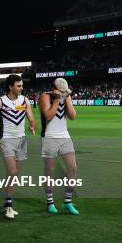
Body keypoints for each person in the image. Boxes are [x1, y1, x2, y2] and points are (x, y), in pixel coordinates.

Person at [0, 74, 36, 219]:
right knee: (12, 171)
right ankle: (8, 206)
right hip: (6, 139)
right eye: (18, 86)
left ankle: (8, 203)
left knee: (14, 175)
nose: (21, 88)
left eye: (21, 85)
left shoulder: (25, 100)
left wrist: (32, 126)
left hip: (21, 140)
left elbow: (31, 118)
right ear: (10, 87)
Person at [39, 78, 79, 215]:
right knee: (50, 171)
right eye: (61, 91)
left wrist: (66, 98)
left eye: (64, 90)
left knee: (72, 167)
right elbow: (48, 115)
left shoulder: (66, 96)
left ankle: (67, 201)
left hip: (64, 136)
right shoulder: (45, 96)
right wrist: (57, 99)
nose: (63, 93)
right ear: (54, 89)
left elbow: (73, 116)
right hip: (49, 137)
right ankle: (50, 202)